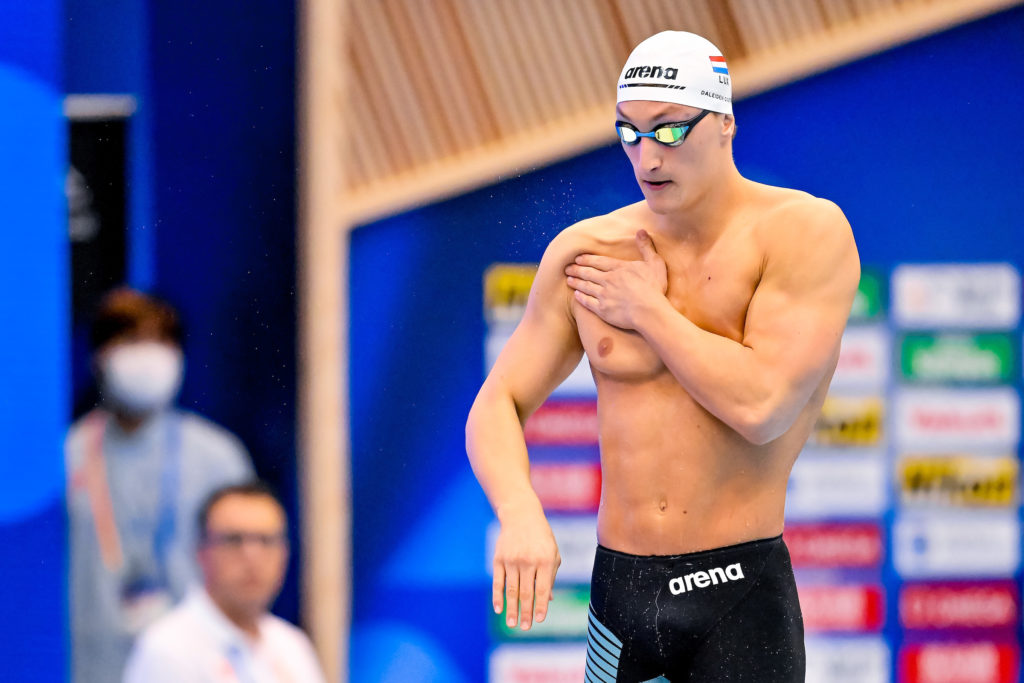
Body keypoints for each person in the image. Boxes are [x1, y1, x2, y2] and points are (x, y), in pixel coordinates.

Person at [466, 30, 860, 681]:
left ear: (725, 122)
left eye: (670, 131)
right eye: (629, 132)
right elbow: (497, 403)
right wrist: (518, 510)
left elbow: (761, 406)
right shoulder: (587, 251)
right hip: (620, 590)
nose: (647, 156)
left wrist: (649, 310)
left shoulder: (802, 232)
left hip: (739, 594)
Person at [65, 287, 255, 683]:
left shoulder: (218, 456)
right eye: (132, 341)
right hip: (95, 665)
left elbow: (247, 570)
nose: (147, 356)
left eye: (160, 342)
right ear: (100, 356)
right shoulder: (68, 458)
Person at [122, 482, 326, 683]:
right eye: (234, 540)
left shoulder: (292, 646)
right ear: (201, 551)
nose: (252, 556)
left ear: (284, 554)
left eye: (266, 540)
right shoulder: (168, 651)